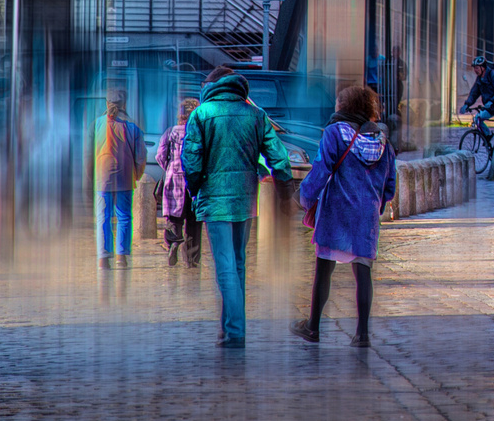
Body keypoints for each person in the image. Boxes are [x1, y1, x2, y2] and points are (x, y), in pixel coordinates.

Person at [182, 65, 292, 348]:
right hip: (245, 199)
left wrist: (195, 191)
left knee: (225, 267)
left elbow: (191, 163)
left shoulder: (201, 115)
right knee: (238, 264)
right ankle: (229, 327)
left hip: (215, 200)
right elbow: (279, 157)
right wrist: (284, 192)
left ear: (211, 85)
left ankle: (235, 331)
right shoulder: (256, 115)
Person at [292, 83, 397, 347]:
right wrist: (375, 207)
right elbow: (390, 185)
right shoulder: (384, 142)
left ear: (344, 106)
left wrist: (301, 199)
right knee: (363, 272)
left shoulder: (334, 133)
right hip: (366, 216)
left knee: (324, 270)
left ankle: (313, 327)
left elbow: (320, 171)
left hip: (336, 212)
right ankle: (362, 334)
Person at [94, 89, 146, 270]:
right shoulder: (133, 126)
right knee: (124, 217)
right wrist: (136, 176)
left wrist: (90, 178)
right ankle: (121, 258)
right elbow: (140, 157)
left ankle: (103, 259)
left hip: (102, 178)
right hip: (125, 178)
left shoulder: (97, 124)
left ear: (106, 103)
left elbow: (87, 155)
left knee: (103, 218)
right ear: (125, 104)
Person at [155, 97, 203, 268]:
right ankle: (192, 260)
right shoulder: (199, 132)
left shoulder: (170, 132)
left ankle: (173, 243)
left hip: (174, 181)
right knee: (194, 223)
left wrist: (170, 168)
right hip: (194, 183)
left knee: (173, 219)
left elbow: (160, 155)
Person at [461, 56, 494, 121]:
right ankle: (485, 132)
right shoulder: (479, 79)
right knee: (477, 119)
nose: (475, 70)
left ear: (483, 68)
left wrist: (491, 101)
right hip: (490, 108)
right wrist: (467, 104)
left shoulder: (493, 75)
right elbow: (474, 93)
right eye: (474, 68)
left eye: (477, 68)